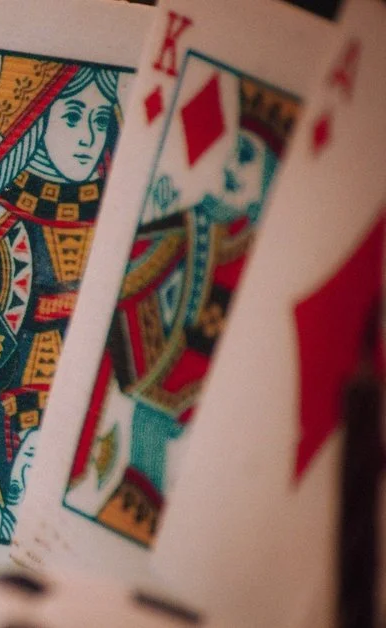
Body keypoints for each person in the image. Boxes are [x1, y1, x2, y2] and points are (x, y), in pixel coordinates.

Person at [71, 77, 297, 545]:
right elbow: (125, 283)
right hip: (160, 422)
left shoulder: (267, 265)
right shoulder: (196, 229)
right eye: (234, 152)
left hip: (228, 441)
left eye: (249, 158)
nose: (231, 167)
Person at [0, 62, 122, 527]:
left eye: (99, 121)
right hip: (19, 400)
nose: (87, 137)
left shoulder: (118, 220)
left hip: (94, 400)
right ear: (37, 120)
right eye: (73, 116)